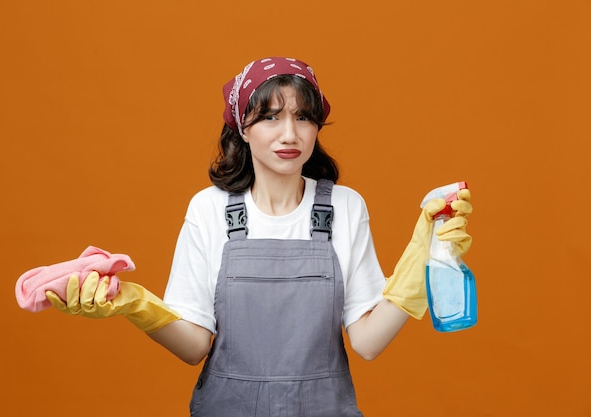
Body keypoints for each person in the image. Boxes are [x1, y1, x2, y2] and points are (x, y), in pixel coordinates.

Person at [45, 57, 473, 416]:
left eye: (303, 117)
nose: (290, 134)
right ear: (242, 128)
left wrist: (423, 257)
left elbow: (367, 341)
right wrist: (134, 304)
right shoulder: (209, 209)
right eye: (270, 117)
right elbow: (194, 346)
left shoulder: (344, 206)